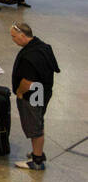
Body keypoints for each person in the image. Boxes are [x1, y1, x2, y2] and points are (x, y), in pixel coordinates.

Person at [9, 22, 59, 171]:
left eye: (14, 36)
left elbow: (27, 82)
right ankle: (37, 153)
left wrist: (19, 92)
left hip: (32, 95)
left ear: (23, 36)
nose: (13, 40)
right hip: (43, 91)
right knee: (38, 122)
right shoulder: (43, 46)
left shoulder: (30, 56)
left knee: (34, 127)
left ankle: (36, 160)